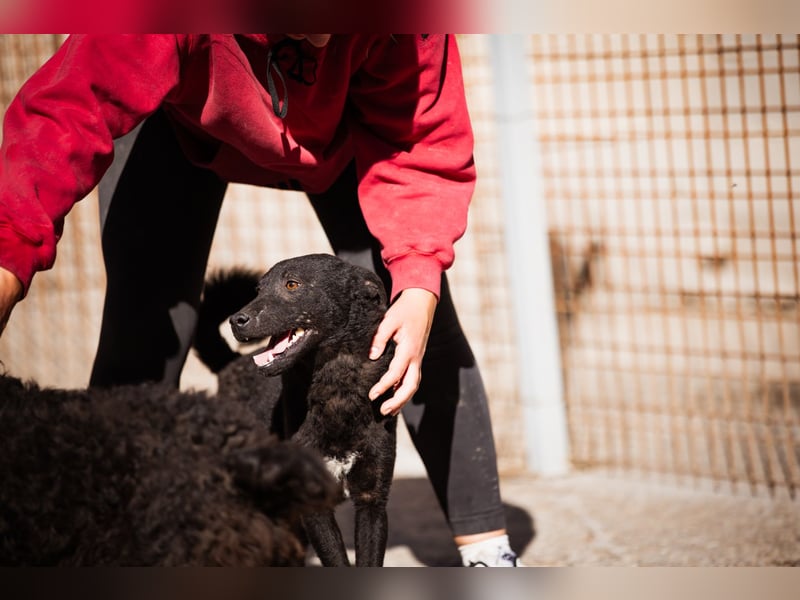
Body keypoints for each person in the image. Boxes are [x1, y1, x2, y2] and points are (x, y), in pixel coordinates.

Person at [0, 34, 522, 567]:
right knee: (147, 322)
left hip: (347, 128)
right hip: (179, 119)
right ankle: (103, 556)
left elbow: (421, 141)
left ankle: (488, 553)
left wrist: (417, 276)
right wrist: (6, 250)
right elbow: (64, 115)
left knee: (406, 314)